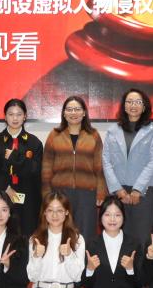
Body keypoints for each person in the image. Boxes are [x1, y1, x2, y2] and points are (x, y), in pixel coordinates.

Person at [103, 88, 153, 244]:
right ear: (124, 106)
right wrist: (118, 190)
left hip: (143, 192)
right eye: (129, 102)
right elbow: (106, 161)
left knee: (141, 238)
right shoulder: (112, 131)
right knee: (117, 236)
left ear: (144, 106)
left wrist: (138, 189)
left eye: (137, 102)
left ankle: (141, 262)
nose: (133, 105)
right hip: (119, 191)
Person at [42, 96, 106, 240]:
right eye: (69, 109)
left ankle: (85, 256)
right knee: (61, 232)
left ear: (84, 113)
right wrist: (46, 194)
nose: (73, 113)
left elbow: (100, 167)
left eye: (77, 109)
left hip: (87, 193)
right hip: (60, 193)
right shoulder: (54, 135)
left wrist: (101, 192)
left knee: (86, 233)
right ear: (64, 113)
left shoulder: (93, 135)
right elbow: (46, 167)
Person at [0, 98, 44, 238]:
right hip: (1, 195)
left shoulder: (34, 143)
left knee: (26, 235)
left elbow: (35, 169)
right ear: (5, 117)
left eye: (19, 114)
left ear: (25, 116)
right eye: (11, 114)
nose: (15, 118)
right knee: (2, 235)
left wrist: (15, 157)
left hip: (27, 197)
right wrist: (6, 188)